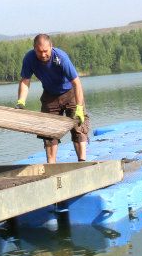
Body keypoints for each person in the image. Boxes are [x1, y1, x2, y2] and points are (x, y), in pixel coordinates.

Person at [16, 34, 89, 163]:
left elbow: (76, 82)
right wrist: (21, 102)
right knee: (48, 131)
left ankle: (82, 161)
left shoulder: (61, 57)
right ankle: (51, 164)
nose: (43, 55)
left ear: (51, 46)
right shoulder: (29, 58)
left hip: (70, 92)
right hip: (50, 95)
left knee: (78, 126)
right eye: (39, 51)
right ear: (34, 49)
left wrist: (79, 107)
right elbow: (25, 81)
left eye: (45, 51)